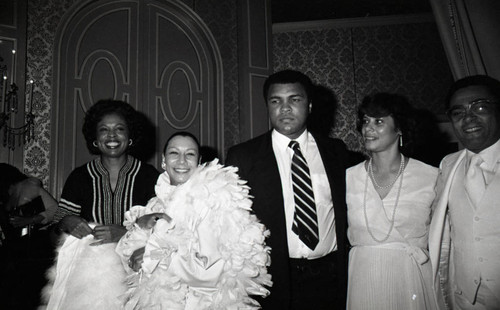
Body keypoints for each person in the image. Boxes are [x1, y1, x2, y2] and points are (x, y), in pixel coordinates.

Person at [43, 132, 271, 309]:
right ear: (164, 161)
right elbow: (132, 264)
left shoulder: (210, 202)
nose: (181, 160)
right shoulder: (156, 203)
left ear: (199, 161)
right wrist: (138, 230)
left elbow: (210, 274)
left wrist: (152, 255)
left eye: (190, 154)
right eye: (174, 153)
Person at [225, 69, 349, 309]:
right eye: (276, 101)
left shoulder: (336, 152)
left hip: (330, 277)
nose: (285, 108)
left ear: (310, 105)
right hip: (275, 280)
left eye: (295, 99)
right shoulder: (243, 156)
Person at [345, 93, 438, 309]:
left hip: (409, 277)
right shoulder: (348, 177)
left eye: (378, 121)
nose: (368, 128)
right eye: (365, 121)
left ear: (400, 128)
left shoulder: (430, 176)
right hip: (363, 276)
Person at [429, 75, 500, 309]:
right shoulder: (448, 165)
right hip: (465, 299)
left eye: (479, 106)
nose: (468, 117)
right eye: (458, 112)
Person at [51, 99, 159, 244]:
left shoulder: (149, 176)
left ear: (130, 136)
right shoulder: (80, 177)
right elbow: (53, 235)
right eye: (104, 129)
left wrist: (125, 234)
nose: (112, 135)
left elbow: (165, 231)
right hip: (88, 264)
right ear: (95, 138)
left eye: (119, 129)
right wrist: (65, 223)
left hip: (137, 264)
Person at [0, 163, 58, 309]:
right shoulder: (5, 195)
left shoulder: (30, 187)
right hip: (15, 247)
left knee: (28, 288)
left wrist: (30, 220)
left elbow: (56, 210)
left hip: (36, 245)